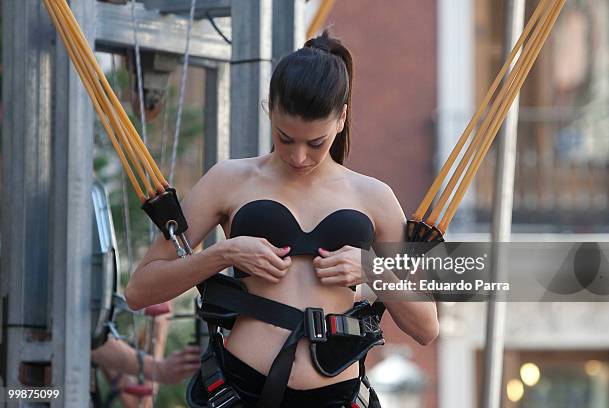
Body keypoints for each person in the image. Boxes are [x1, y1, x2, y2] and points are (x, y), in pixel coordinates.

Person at [126, 31, 439, 407]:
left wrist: (372, 269)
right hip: (239, 391)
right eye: (285, 138)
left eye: (316, 143)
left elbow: (425, 326)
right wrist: (222, 255)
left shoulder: (375, 197)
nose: (300, 157)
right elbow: (139, 290)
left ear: (341, 118)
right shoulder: (229, 180)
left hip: (337, 396)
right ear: (269, 109)